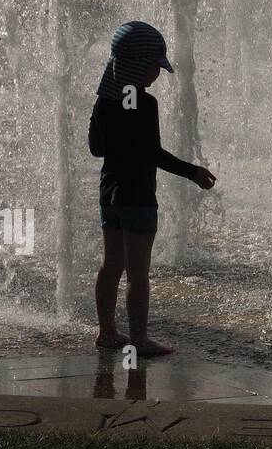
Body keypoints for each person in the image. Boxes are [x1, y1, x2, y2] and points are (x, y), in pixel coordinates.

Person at [88, 21, 215, 356]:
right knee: (138, 274)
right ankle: (140, 340)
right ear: (139, 67)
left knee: (111, 264)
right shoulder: (145, 105)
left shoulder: (104, 103)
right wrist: (192, 172)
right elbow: (153, 153)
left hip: (109, 194)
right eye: (154, 68)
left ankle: (107, 332)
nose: (157, 75)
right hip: (138, 197)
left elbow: (96, 149)